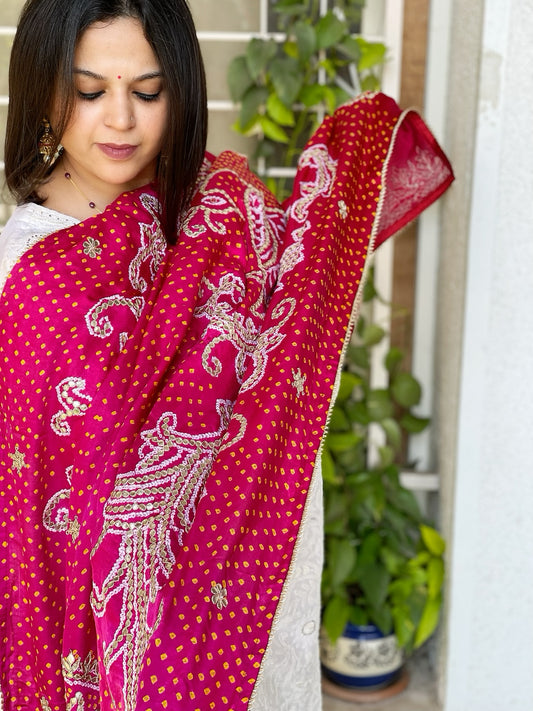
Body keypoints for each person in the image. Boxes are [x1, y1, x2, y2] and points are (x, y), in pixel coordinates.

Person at [0, 0, 453, 709]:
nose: (120, 119)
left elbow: (290, 322)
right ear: (41, 89)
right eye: (89, 91)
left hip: (222, 601)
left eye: (147, 91)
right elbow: (31, 493)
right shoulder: (25, 272)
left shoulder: (220, 212)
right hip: (77, 633)